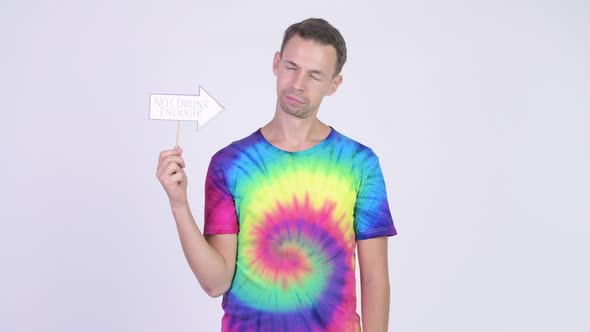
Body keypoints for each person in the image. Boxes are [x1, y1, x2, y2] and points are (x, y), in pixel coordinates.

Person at [156, 18, 397, 332]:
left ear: (334, 84)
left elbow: (375, 279)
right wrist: (178, 204)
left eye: (315, 75)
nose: (298, 84)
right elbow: (215, 283)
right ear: (276, 63)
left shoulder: (359, 163)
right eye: (291, 67)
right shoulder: (230, 163)